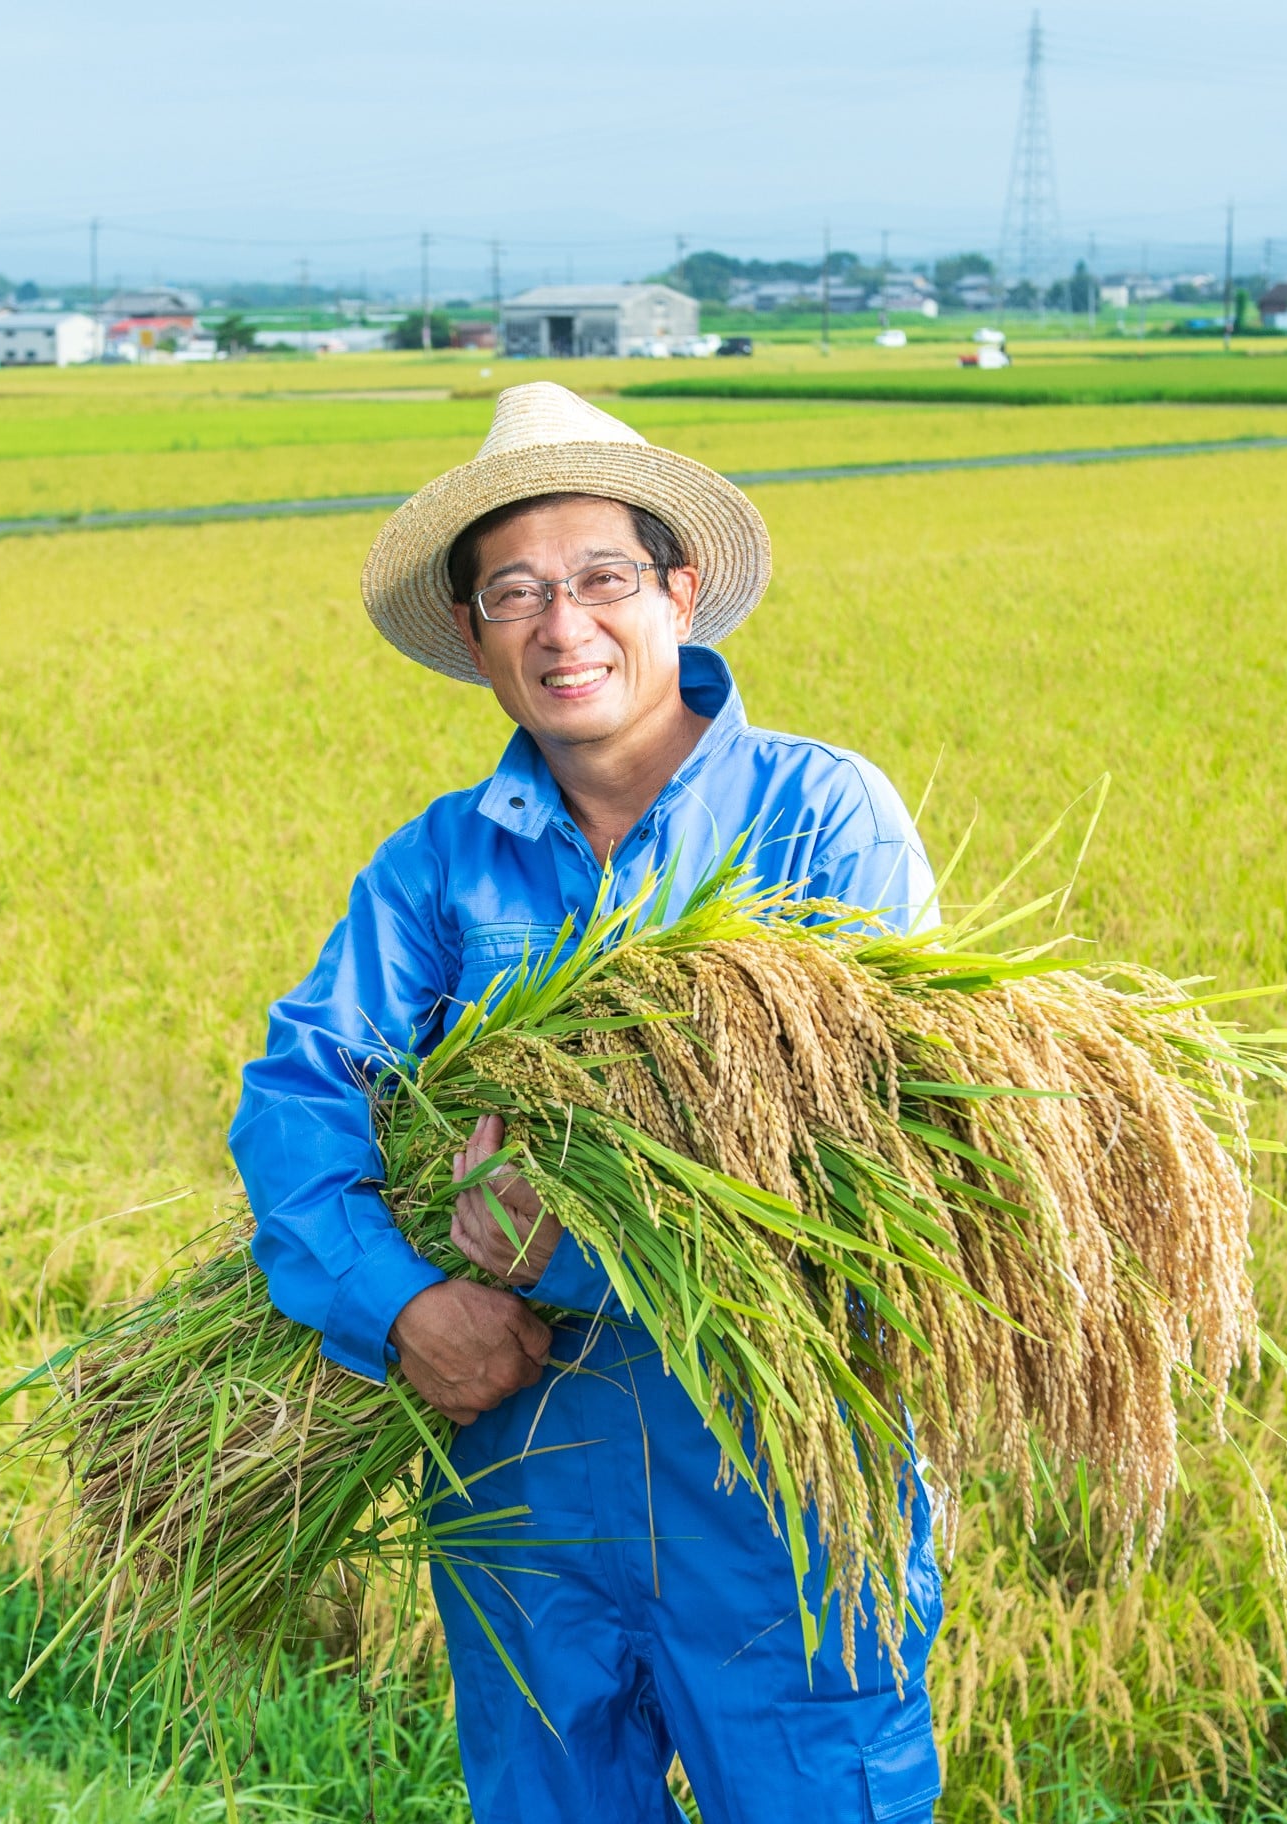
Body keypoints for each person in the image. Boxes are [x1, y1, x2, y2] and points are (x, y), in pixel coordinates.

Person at [229, 382, 944, 1822]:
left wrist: (557, 1251)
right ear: (477, 636)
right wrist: (401, 1303)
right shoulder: (436, 869)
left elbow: (875, 1154)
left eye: (600, 578)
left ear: (679, 592)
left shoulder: (821, 819)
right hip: (517, 1494)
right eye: (514, 595)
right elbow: (300, 1095)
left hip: (776, 1491)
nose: (564, 627)